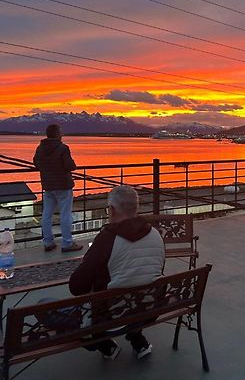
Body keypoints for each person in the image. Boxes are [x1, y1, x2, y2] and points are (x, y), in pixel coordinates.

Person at [69, 185, 165, 360]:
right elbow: (154, 272)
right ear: (136, 208)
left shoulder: (107, 238)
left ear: (111, 210)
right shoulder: (156, 235)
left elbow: (76, 287)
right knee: (134, 285)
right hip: (147, 310)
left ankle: (104, 344)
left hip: (111, 316)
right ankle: (137, 338)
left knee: (46, 305)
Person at [33, 124, 82, 252]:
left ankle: (48, 242)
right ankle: (67, 243)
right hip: (63, 186)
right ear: (57, 134)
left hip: (48, 186)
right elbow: (70, 166)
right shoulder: (63, 148)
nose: (62, 134)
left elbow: (36, 163)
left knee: (46, 215)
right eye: (60, 132)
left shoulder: (40, 148)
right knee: (65, 214)